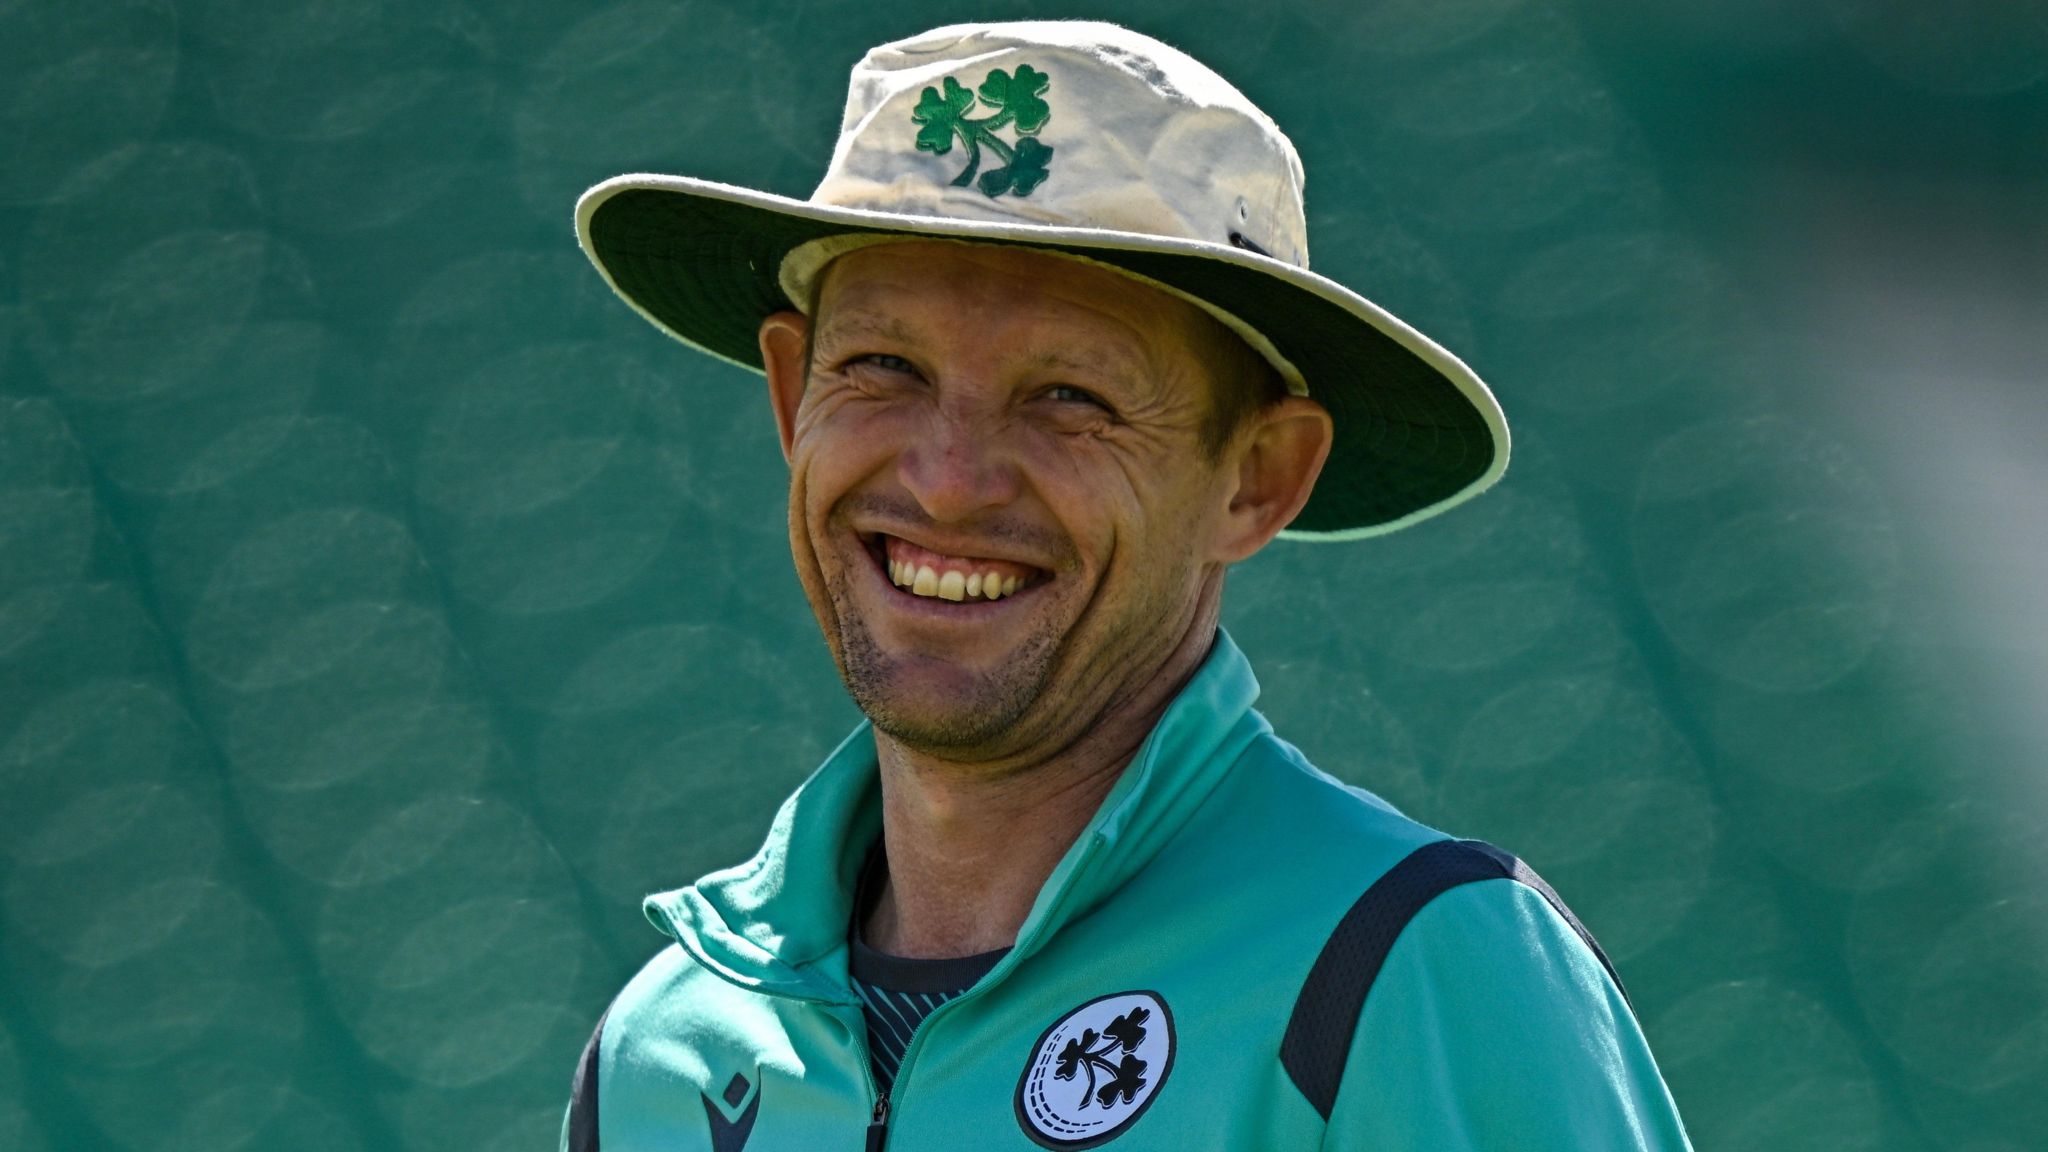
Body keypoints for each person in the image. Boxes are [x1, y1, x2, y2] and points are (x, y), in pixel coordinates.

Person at [561, 19, 1691, 1152]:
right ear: (791, 394)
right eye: (883, 368)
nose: (947, 483)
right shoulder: (661, 1055)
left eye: (1068, 397)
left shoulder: (1405, 969)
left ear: (1255, 479)